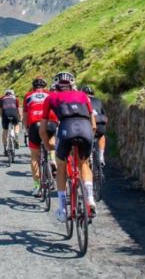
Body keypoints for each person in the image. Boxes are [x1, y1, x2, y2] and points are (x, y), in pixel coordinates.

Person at [40, 71, 97, 222]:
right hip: (85, 128)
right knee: (84, 164)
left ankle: (63, 209)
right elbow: (94, 125)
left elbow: (43, 128)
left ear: (56, 85)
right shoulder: (83, 95)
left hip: (66, 128)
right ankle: (90, 198)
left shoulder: (51, 97)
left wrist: (47, 145)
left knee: (61, 167)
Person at [25, 77, 56, 197]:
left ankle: (37, 186)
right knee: (51, 140)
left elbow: (25, 116)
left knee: (34, 156)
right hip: (49, 123)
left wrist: (27, 129)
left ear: (33, 87)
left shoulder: (28, 96)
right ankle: (52, 159)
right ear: (44, 86)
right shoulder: (50, 94)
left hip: (35, 124)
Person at [81, 85, 107, 166]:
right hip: (100, 124)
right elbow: (105, 116)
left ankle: (89, 156)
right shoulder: (98, 101)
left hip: (88, 124)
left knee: (83, 139)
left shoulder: (81, 100)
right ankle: (101, 156)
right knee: (102, 135)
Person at [0, 89, 22, 155]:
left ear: (5, 94)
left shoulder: (1, 98)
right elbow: (18, 110)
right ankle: (16, 136)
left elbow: (0, 111)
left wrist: (3, 117)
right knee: (16, 125)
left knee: (5, 130)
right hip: (14, 113)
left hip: (5, 114)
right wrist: (20, 117)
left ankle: (5, 148)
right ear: (12, 94)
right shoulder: (16, 98)